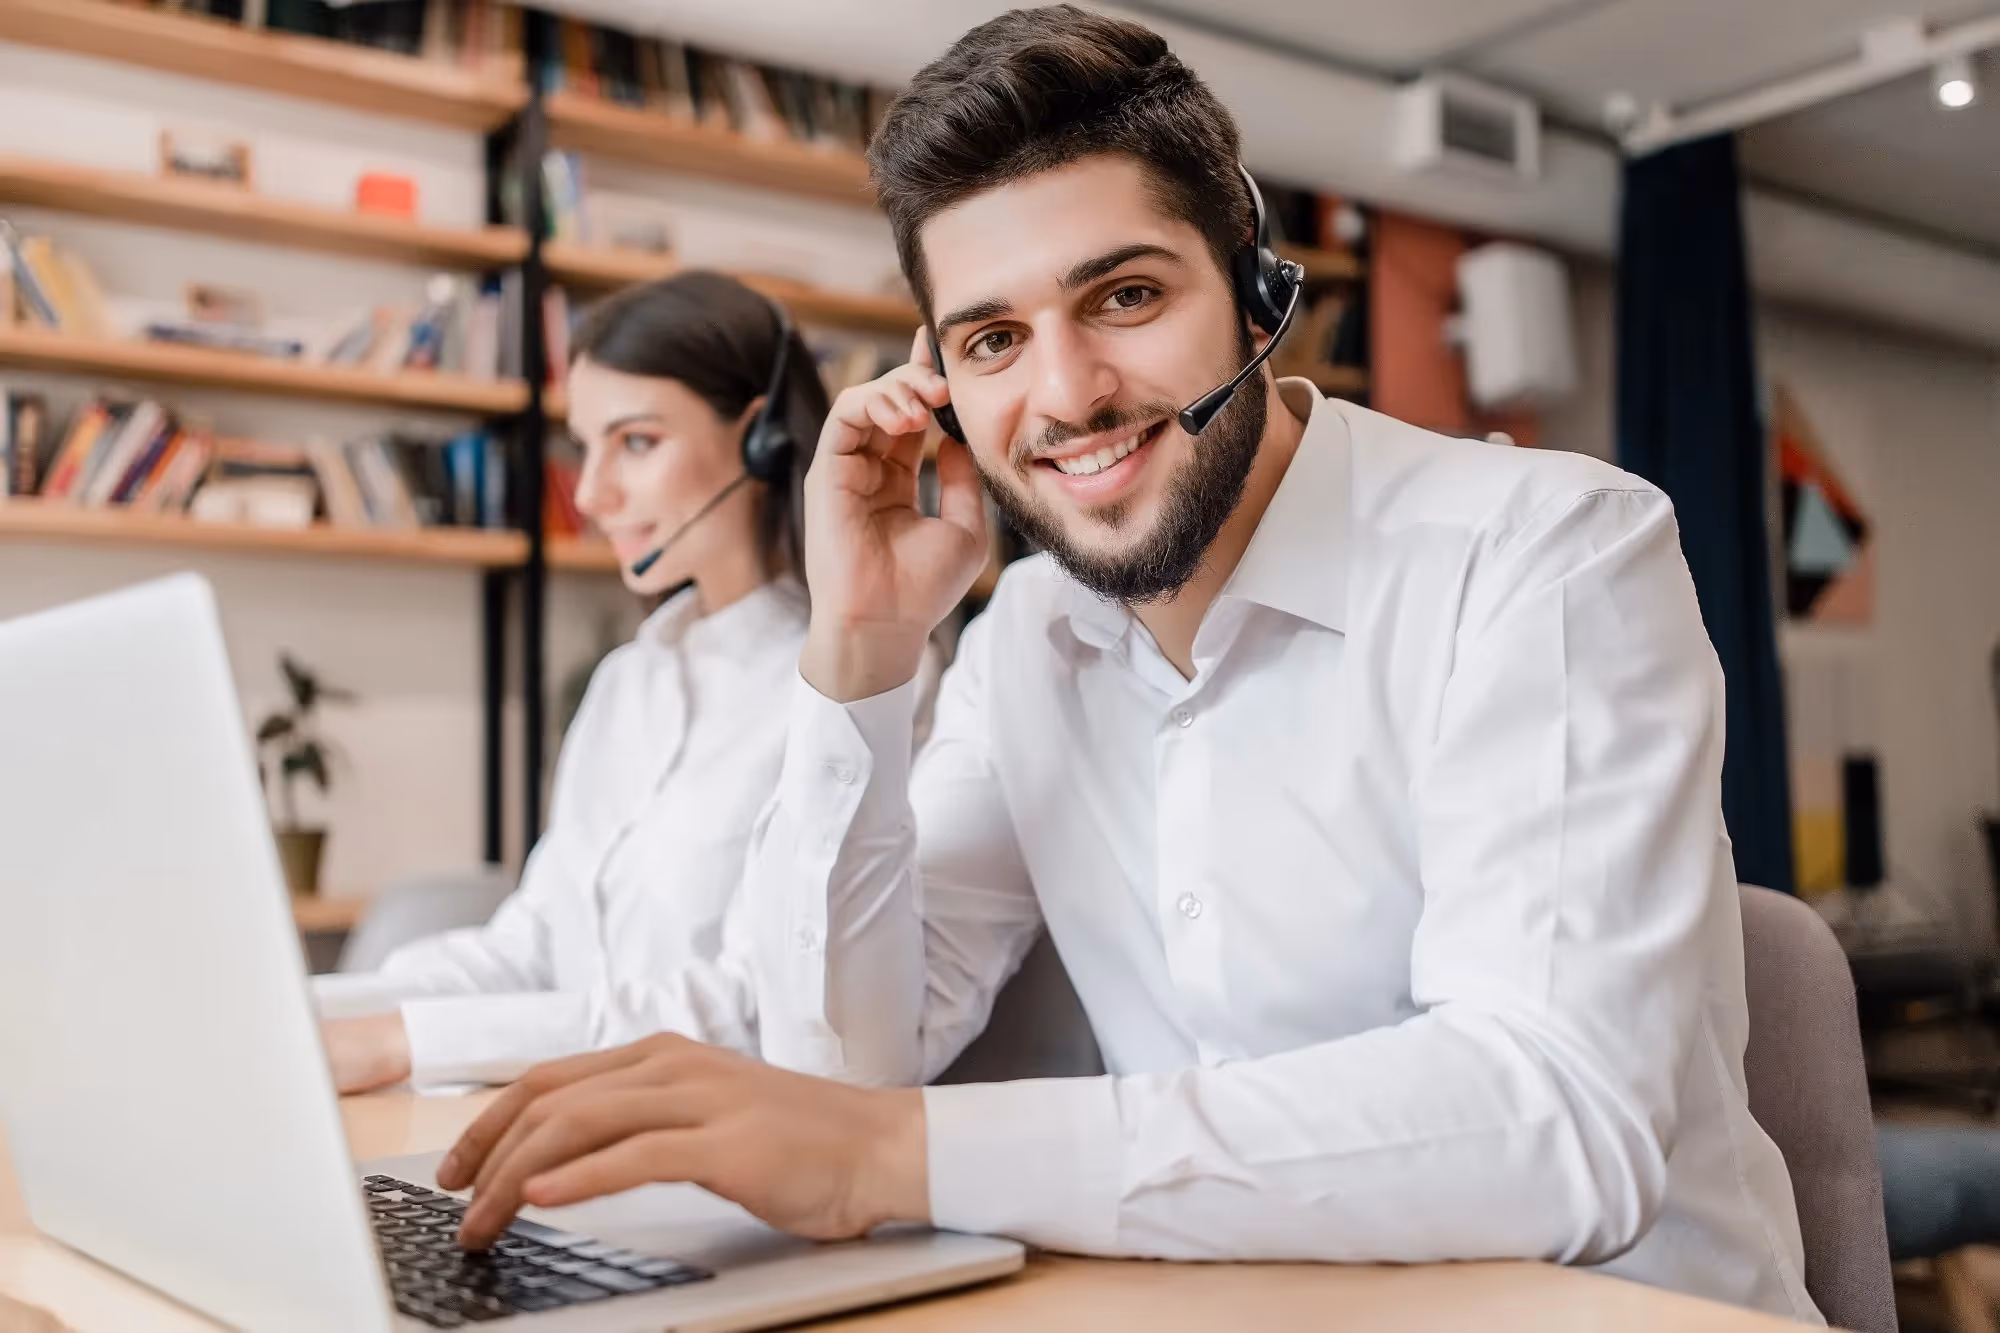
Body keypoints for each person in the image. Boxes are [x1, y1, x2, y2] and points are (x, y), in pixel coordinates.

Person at [431, 8, 1819, 1322]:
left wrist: (894, 1157)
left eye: (1126, 295)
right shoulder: (1024, 646)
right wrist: (860, 652)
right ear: (939, 383)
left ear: (1257, 293)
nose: (1067, 392)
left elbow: (1558, 1120)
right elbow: (838, 1061)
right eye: (993, 340)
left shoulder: (1545, 555)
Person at [312, 271, 820, 1093]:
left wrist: (408, 1042)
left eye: (637, 442)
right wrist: (310, 1008)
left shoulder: (850, 691)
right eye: (585, 446)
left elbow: (755, 1009)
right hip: (575, 1114)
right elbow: (535, 944)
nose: (590, 493)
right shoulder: (628, 682)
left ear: (760, 441)